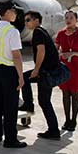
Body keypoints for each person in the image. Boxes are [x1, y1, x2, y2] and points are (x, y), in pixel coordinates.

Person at [0, 1, 26, 148]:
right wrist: (21, 77)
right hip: (10, 71)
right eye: (14, 11)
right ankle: (10, 139)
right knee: (10, 106)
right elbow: (16, 55)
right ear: (8, 12)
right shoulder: (12, 31)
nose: (16, 14)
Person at [19, 10, 61, 140]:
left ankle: (53, 130)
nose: (26, 23)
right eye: (25, 20)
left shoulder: (37, 32)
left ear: (36, 20)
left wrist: (36, 69)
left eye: (28, 20)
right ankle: (28, 105)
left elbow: (41, 51)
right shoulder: (42, 31)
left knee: (44, 101)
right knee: (25, 78)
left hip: (45, 72)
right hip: (47, 71)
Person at [55, 10, 78, 132]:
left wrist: (73, 53)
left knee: (75, 94)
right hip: (64, 67)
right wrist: (60, 54)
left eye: (71, 17)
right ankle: (66, 119)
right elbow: (55, 50)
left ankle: (74, 120)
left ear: (76, 19)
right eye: (66, 17)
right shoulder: (61, 34)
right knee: (65, 94)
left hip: (76, 68)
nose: (68, 20)